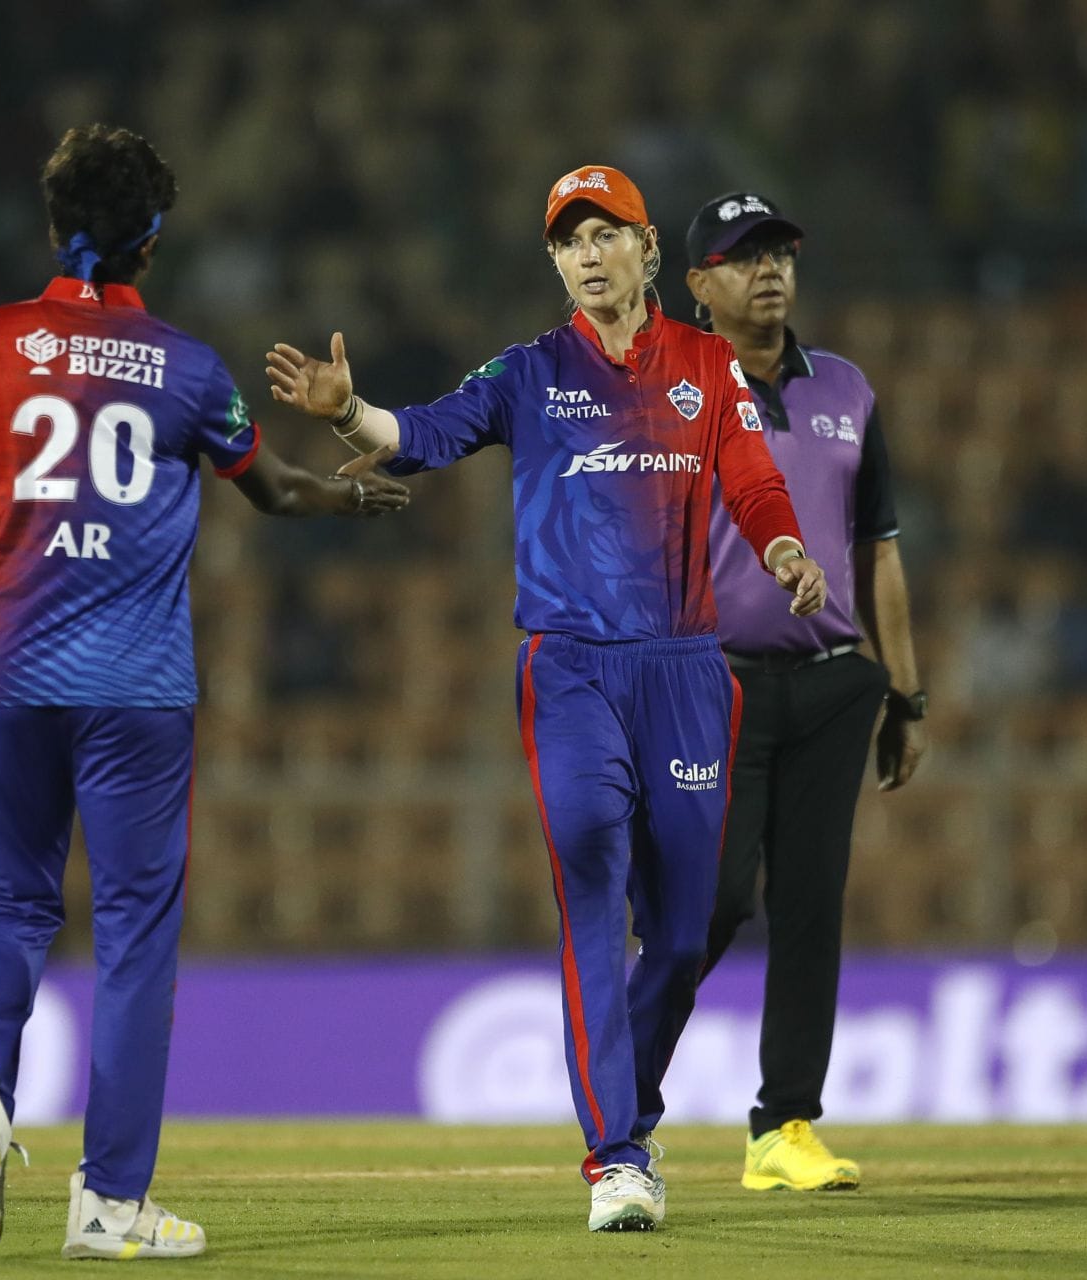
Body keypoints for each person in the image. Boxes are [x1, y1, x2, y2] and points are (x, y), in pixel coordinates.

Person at [265, 165, 828, 1232]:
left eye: (603, 233)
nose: (584, 254)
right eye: (567, 240)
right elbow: (426, 433)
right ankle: (616, 1154)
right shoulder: (530, 370)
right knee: (586, 862)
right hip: (568, 665)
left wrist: (788, 546)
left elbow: (753, 480)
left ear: (648, 248)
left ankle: (635, 1103)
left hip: (685, 667)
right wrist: (352, 417)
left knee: (686, 925)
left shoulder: (708, 367)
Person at [0, 123, 409, 1261]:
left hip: (1, 669)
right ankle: (110, 1203)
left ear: (54, 227)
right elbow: (271, 490)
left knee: (11, 899)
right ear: (153, 241)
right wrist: (352, 498)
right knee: (131, 931)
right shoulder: (189, 368)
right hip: (135, 687)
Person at [684, 191, 927, 1192]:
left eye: (780, 250)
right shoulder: (667, 396)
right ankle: (621, 1075)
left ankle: (784, 1125)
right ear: (698, 285)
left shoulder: (849, 391)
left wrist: (905, 696)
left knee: (812, 907)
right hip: (713, 681)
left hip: (832, 683)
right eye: (744, 257)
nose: (770, 269)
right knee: (714, 898)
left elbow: (880, 553)